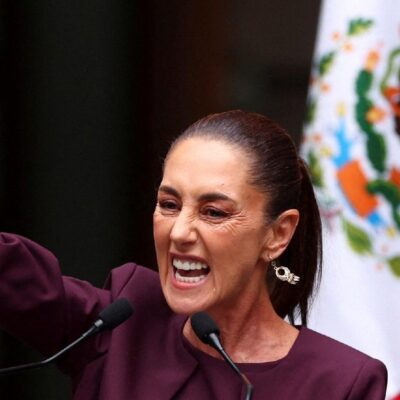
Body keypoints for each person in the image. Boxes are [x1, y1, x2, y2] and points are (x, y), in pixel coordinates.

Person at [0, 110, 387, 399]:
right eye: (169, 205)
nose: (180, 232)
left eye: (213, 212)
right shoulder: (124, 323)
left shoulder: (342, 382)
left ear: (278, 233)